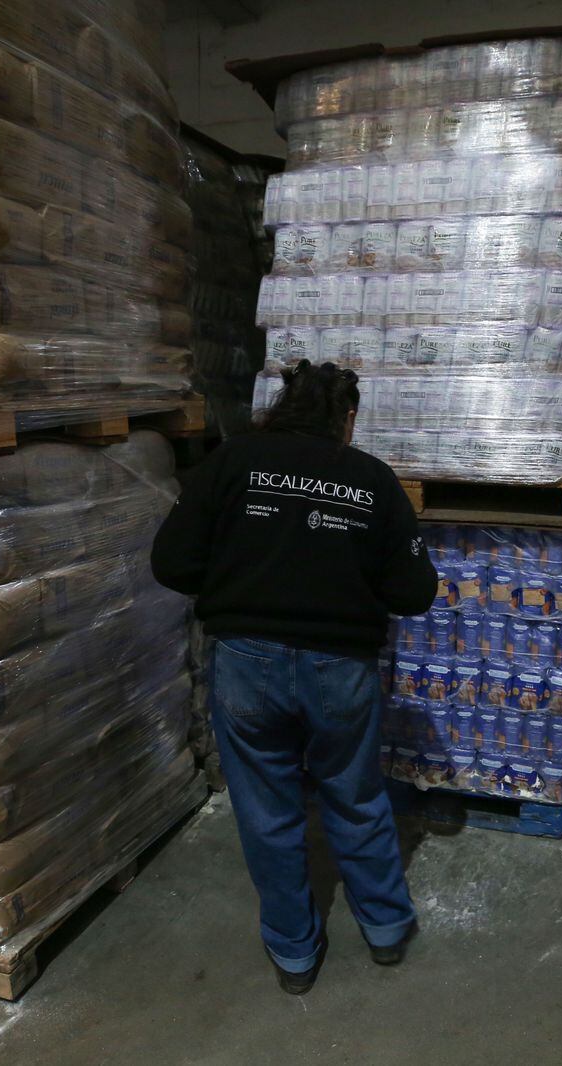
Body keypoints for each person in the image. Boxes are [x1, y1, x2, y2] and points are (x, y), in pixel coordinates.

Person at [151, 360, 438, 994]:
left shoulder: (231, 463)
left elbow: (170, 561)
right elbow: (416, 590)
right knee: (355, 796)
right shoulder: (373, 481)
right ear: (348, 418)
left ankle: (295, 953)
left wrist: (234, 589)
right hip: (342, 670)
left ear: (280, 407)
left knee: (267, 812)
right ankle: (387, 929)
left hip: (247, 663)